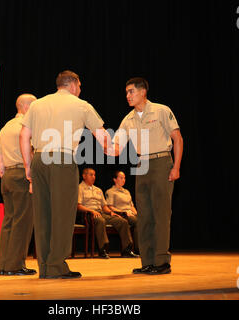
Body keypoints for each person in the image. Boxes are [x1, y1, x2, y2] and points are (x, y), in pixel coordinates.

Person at [20, 70, 112, 279]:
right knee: (62, 214)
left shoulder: (37, 104)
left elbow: (24, 135)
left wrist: (28, 166)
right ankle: (56, 267)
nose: (80, 90)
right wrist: (112, 149)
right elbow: (102, 136)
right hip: (62, 158)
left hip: (39, 159)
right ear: (72, 85)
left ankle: (44, 266)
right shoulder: (81, 105)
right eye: (79, 86)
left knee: (43, 215)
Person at [110, 77, 183, 275]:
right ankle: (147, 262)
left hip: (161, 162)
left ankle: (162, 262)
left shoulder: (161, 110)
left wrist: (176, 167)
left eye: (131, 91)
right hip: (141, 164)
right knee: (144, 216)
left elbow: (177, 138)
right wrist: (103, 143)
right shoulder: (128, 119)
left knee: (160, 214)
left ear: (143, 92)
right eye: (126, 92)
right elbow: (116, 148)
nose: (127, 96)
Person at [0, 93, 37, 276]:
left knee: (9, 221)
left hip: (7, 176)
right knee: (23, 222)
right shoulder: (26, 127)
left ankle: (4, 265)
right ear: (27, 107)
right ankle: (15, 266)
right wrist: (31, 178)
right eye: (34, 106)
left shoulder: (5, 127)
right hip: (22, 174)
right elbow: (32, 153)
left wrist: (4, 175)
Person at [77, 168, 138, 259]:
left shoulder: (98, 190)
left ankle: (127, 249)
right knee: (100, 220)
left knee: (122, 221)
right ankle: (103, 249)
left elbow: (104, 206)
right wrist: (91, 211)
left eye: (94, 175)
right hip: (88, 214)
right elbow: (78, 205)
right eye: (91, 175)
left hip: (101, 212)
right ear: (84, 176)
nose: (93, 177)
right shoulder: (80, 188)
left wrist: (111, 212)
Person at [105, 170, 139, 253]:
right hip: (121, 214)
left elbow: (131, 206)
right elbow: (110, 207)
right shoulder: (110, 191)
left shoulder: (126, 191)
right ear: (115, 179)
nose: (123, 180)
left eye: (124, 178)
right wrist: (123, 212)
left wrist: (136, 213)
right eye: (121, 178)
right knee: (138, 222)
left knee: (143, 221)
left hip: (130, 214)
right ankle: (138, 249)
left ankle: (142, 247)